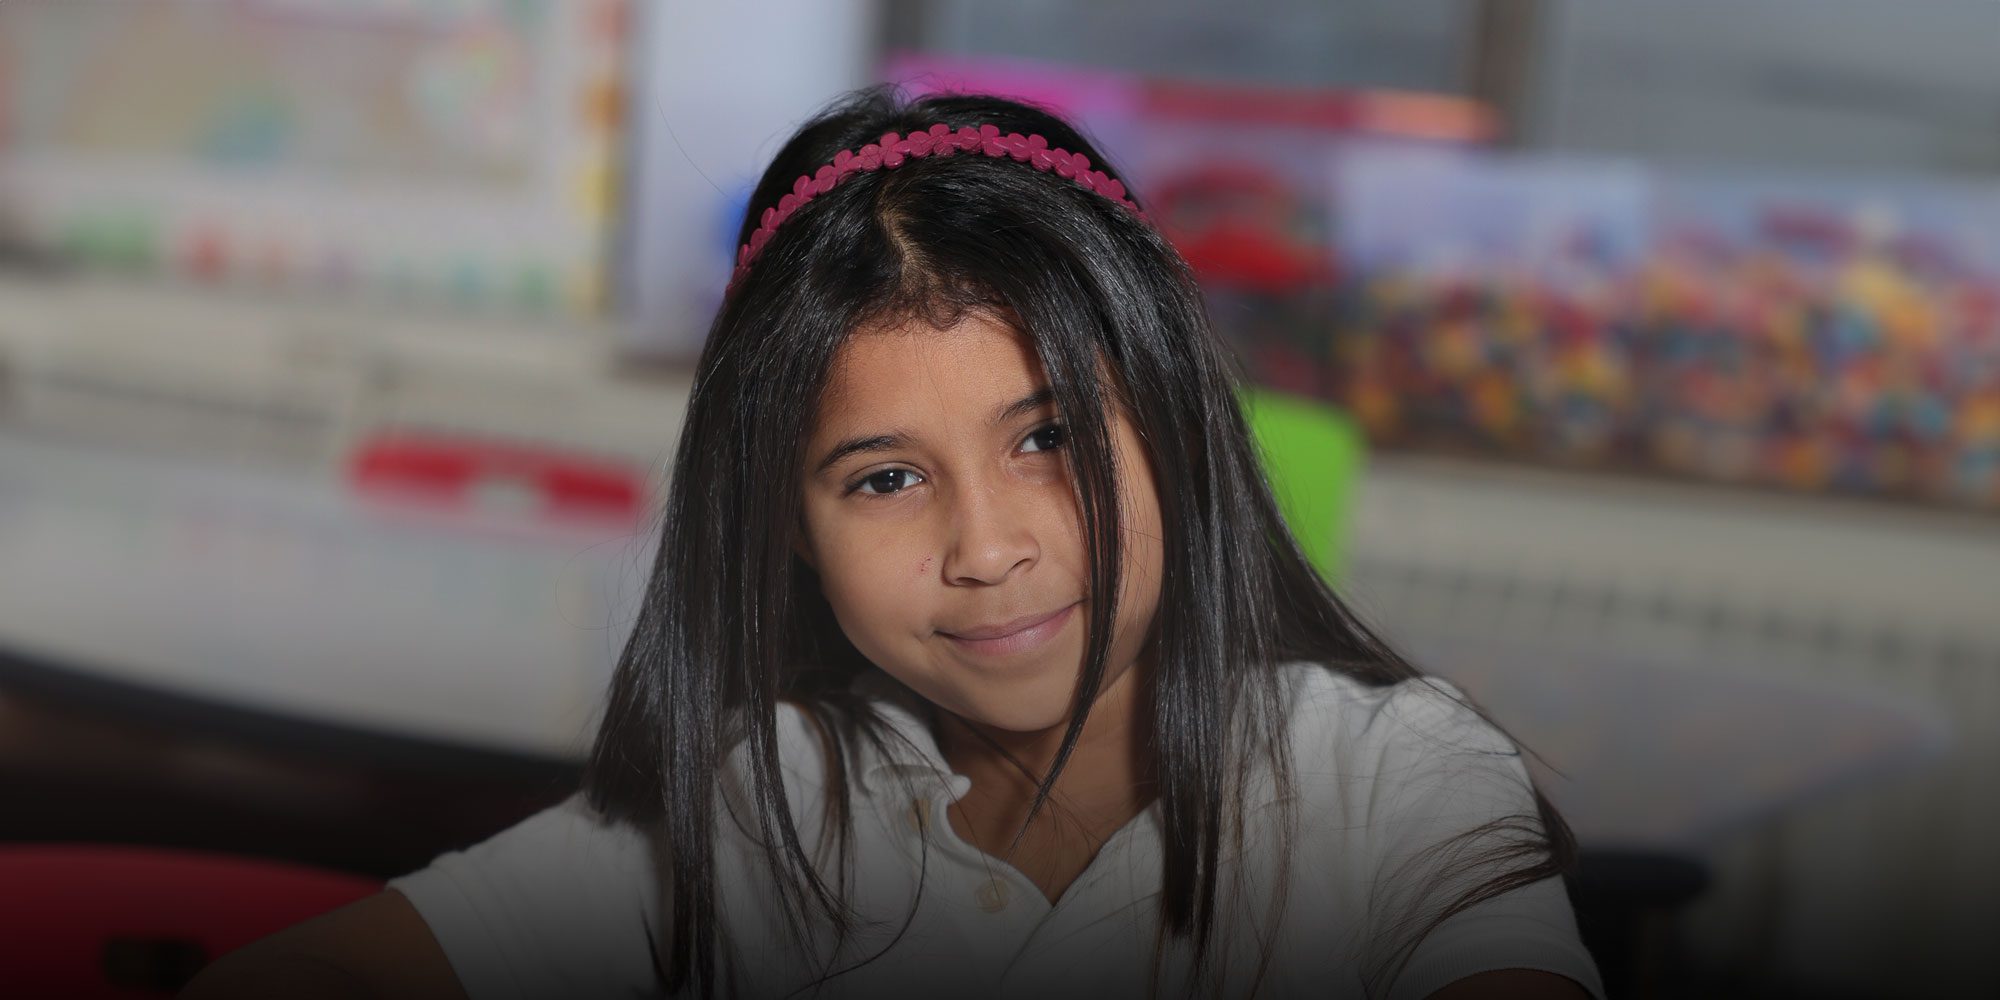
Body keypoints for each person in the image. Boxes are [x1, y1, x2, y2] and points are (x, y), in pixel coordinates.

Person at [183, 89, 1603, 1000]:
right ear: (788, 530)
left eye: (1049, 438)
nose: (985, 548)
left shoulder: (1392, 781)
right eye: (884, 479)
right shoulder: (767, 801)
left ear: (1177, 426)